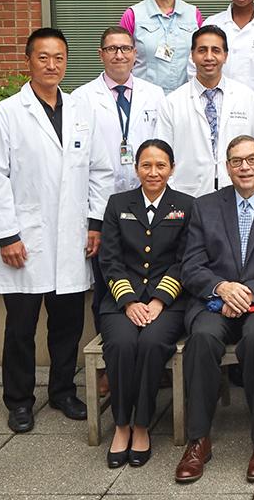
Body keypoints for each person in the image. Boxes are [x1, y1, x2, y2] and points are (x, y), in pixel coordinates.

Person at [0, 28, 113, 434]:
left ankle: (61, 391)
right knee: (20, 327)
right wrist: (7, 235)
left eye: (59, 57)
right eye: (43, 57)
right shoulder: (6, 113)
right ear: (29, 61)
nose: (52, 65)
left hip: (73, 238)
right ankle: (19, 401)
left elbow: (100, 170)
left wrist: (95, 224)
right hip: (26, 238)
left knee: (67, 324)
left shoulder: (80, 110)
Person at [173, 136, 254, 484]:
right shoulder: (205, 207)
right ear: (227, 167)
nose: (244, 167)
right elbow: (191, 266)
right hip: (216, 300)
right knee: (201, 337)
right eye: (236, 161)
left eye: (251, 159)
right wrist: (223, 288)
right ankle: (198, 439)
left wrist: (248, 294)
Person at [97, 139, 192, 468]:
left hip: (169, 302)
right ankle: (121, 425)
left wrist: (160, 300)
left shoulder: (186, 206)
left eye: (161, 165)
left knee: (152, 344)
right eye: (146, 165)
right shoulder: (117, 204)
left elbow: (185, 262)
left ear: (172, 169)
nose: (153, 172)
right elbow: (109, 260)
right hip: (121, 300)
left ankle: (142, 425)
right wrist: (128, 301)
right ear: (136, 168)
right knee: (122, 344)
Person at [72, 26, 166, 347]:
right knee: (107, 286)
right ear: (101, 55)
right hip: (102, 207)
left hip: (147, 205)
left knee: (148, 278)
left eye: (125, 48)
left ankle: (151, 355)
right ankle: (111, 366)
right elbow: (77, 161)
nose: (119, 55)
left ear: (135, 54)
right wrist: (89, 219)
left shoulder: (155, 94)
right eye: (111, 49)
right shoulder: (82, 98)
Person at [155, 26, 254, 197]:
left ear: (225, 56)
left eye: (216, 51)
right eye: (202, 50)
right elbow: (160, 157)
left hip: (238, 192)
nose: (209, 57)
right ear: (192, 55)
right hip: (187, 194)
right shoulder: (172, 103)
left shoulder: (246, 97)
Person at [120, 0, 203, 93]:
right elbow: (121, 60)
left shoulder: (193, 14)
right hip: (145, 100)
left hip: (185, 99)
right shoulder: (133, 15)